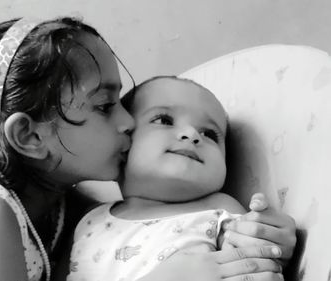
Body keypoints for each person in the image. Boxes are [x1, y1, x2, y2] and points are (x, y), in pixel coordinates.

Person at [0, 17, 294, 281]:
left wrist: (266, 236)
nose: (128, 121)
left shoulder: (67, 210)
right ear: (29, 137)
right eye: (105, 106)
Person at [67, 76, 296, 281]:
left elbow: (253, 262)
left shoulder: (219, 210)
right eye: (164, 120)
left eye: (210, 134)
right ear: (123, 140)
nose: (193, 135)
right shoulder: (89, 220)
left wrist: (269, 238)